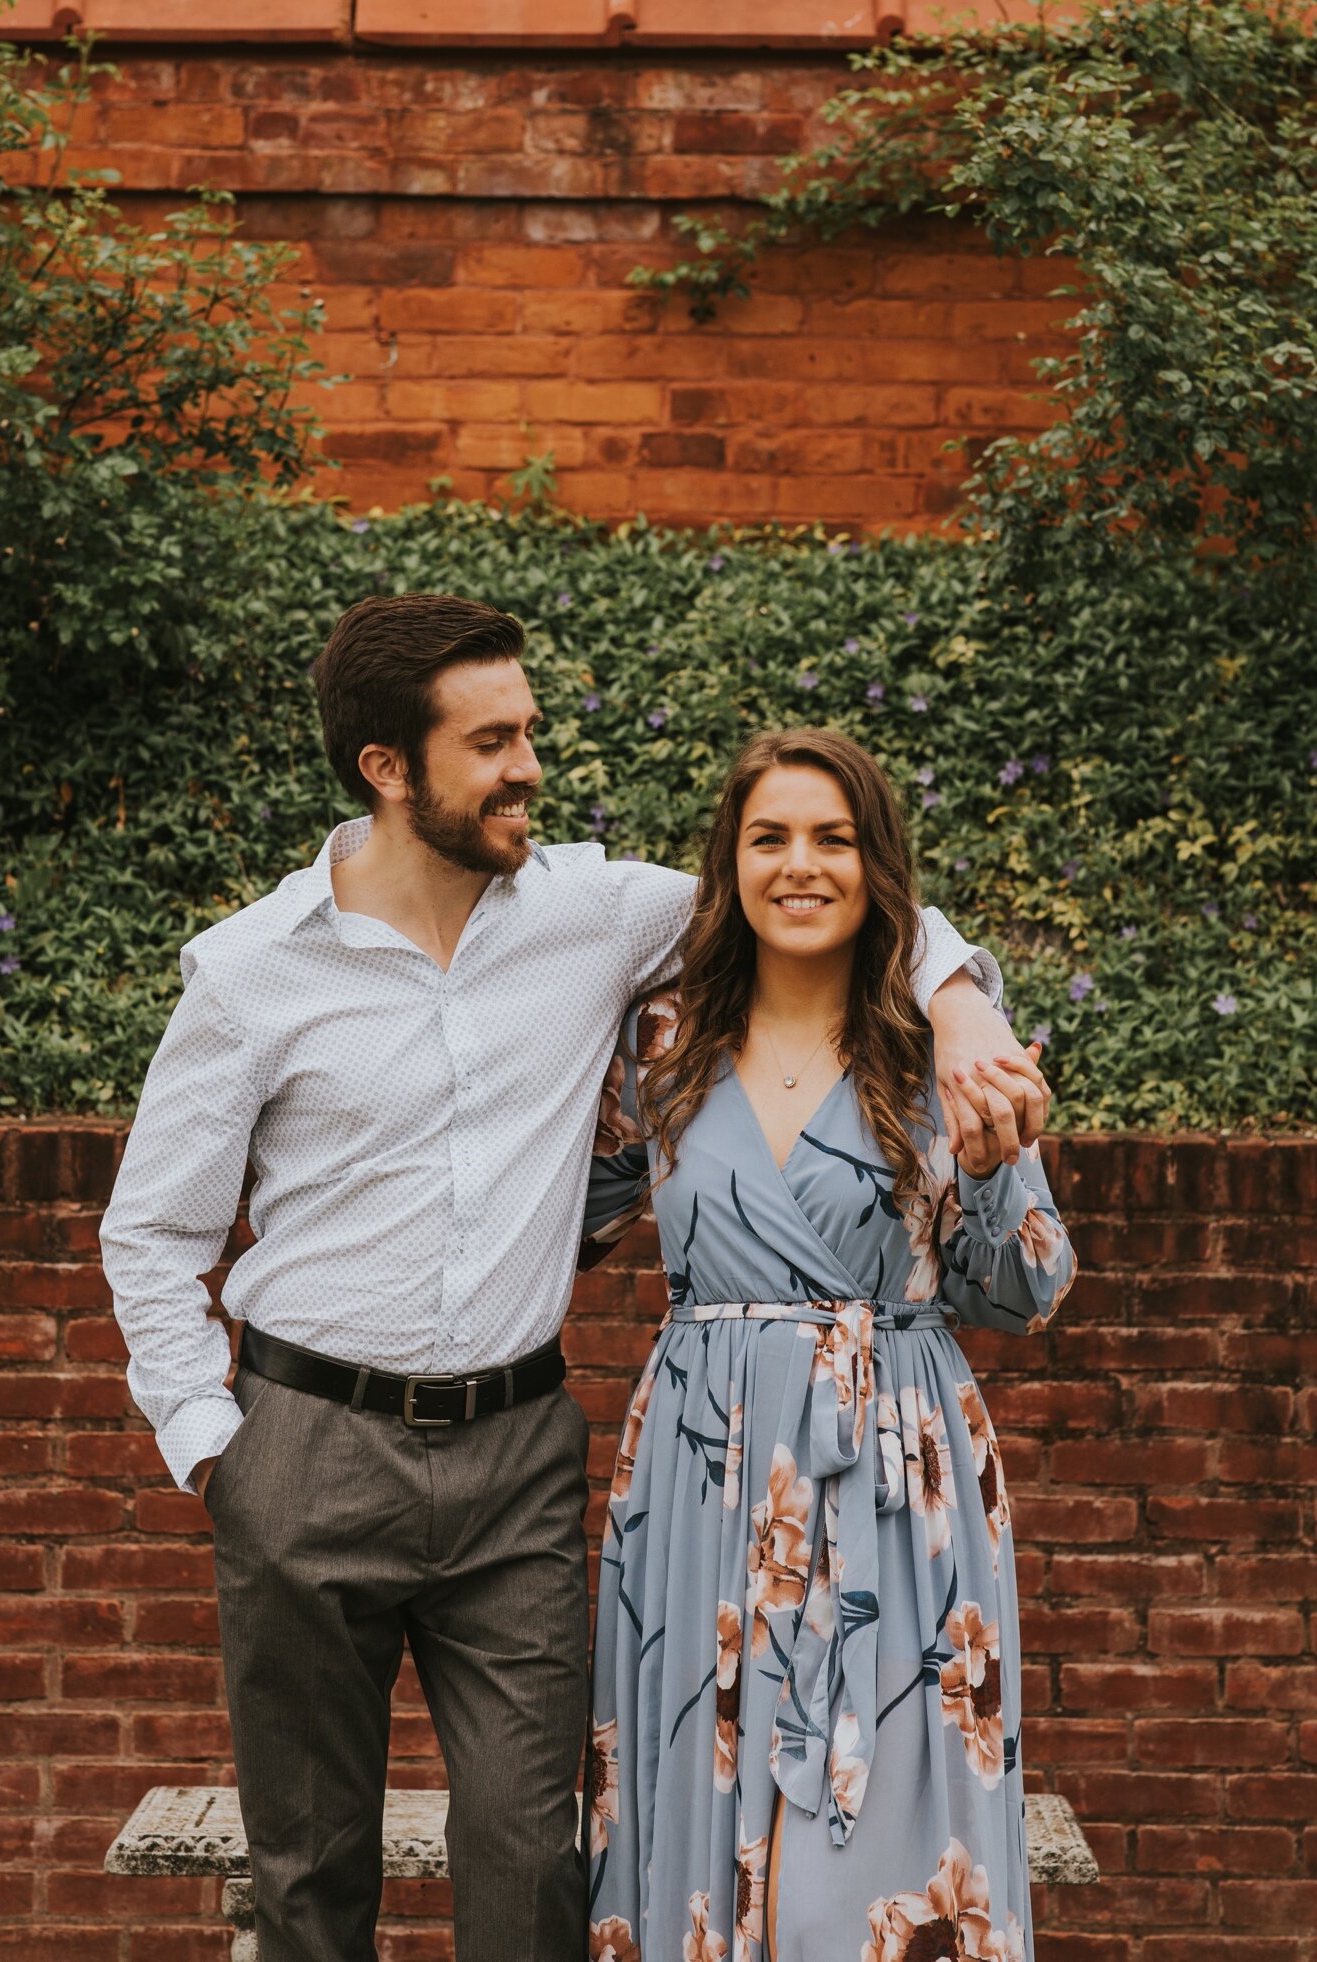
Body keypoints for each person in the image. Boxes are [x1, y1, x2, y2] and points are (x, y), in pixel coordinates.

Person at [98, 594, 1047, 1962]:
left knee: (537, 1858)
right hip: (303, 1449)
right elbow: (152, 1232)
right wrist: (216, 1449)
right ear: (387, 766)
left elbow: (820, 890)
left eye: (528, 729)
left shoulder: (598, 913)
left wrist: (960, 1000)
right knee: (308, 1872)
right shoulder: (251, 972)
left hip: (517, 1463)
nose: (529, 765)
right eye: (493, 741)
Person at [581, 727, 1075, 1962]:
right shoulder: (661, 1040)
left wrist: (988, 1162)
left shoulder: (937, 1040)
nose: (801, 866)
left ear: (878, 866)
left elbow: (1026, 1292)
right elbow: (546, 1222)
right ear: (728, 865)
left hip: (899, 1489)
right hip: (703, 1476)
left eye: (833, 839)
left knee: (885, 1842)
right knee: (693, 1796)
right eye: (769, 839)